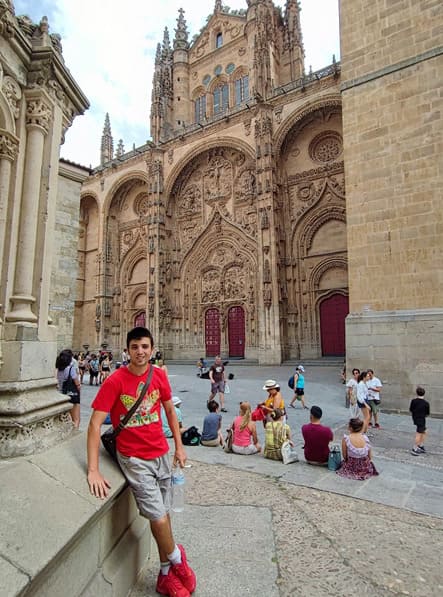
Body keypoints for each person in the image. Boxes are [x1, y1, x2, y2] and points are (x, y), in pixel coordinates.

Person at [86, 326, 196, 597]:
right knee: (158, 518)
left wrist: (179, 447)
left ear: (152, 349)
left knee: (163, 515)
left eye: (144, 347)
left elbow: (170, 410)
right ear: (127, 349)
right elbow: (94, 425)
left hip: (160, 452)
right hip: (134, 459)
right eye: (135, 347)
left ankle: (165, 575)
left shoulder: (158, 376)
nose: (140, 351)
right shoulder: (115, 381)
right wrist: (93, 470)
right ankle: (178, 560)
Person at [55, 348, 81, 429]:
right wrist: (79, 387)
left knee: (65, 418)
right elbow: (77, 382)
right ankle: (75, 433)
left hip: (61, 394)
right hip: (71, 395)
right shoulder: (70, 368)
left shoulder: (58, 369)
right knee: (76, 419)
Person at [409, 386, 430, 456]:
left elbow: (411, 409)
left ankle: (421, 445)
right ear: (424, 393)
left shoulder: (413, 401)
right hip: (421, 419)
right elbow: (427, 413)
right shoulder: (426, 403)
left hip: (415, 418)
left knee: (424, 431)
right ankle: (415, 448)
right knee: (419, 433)